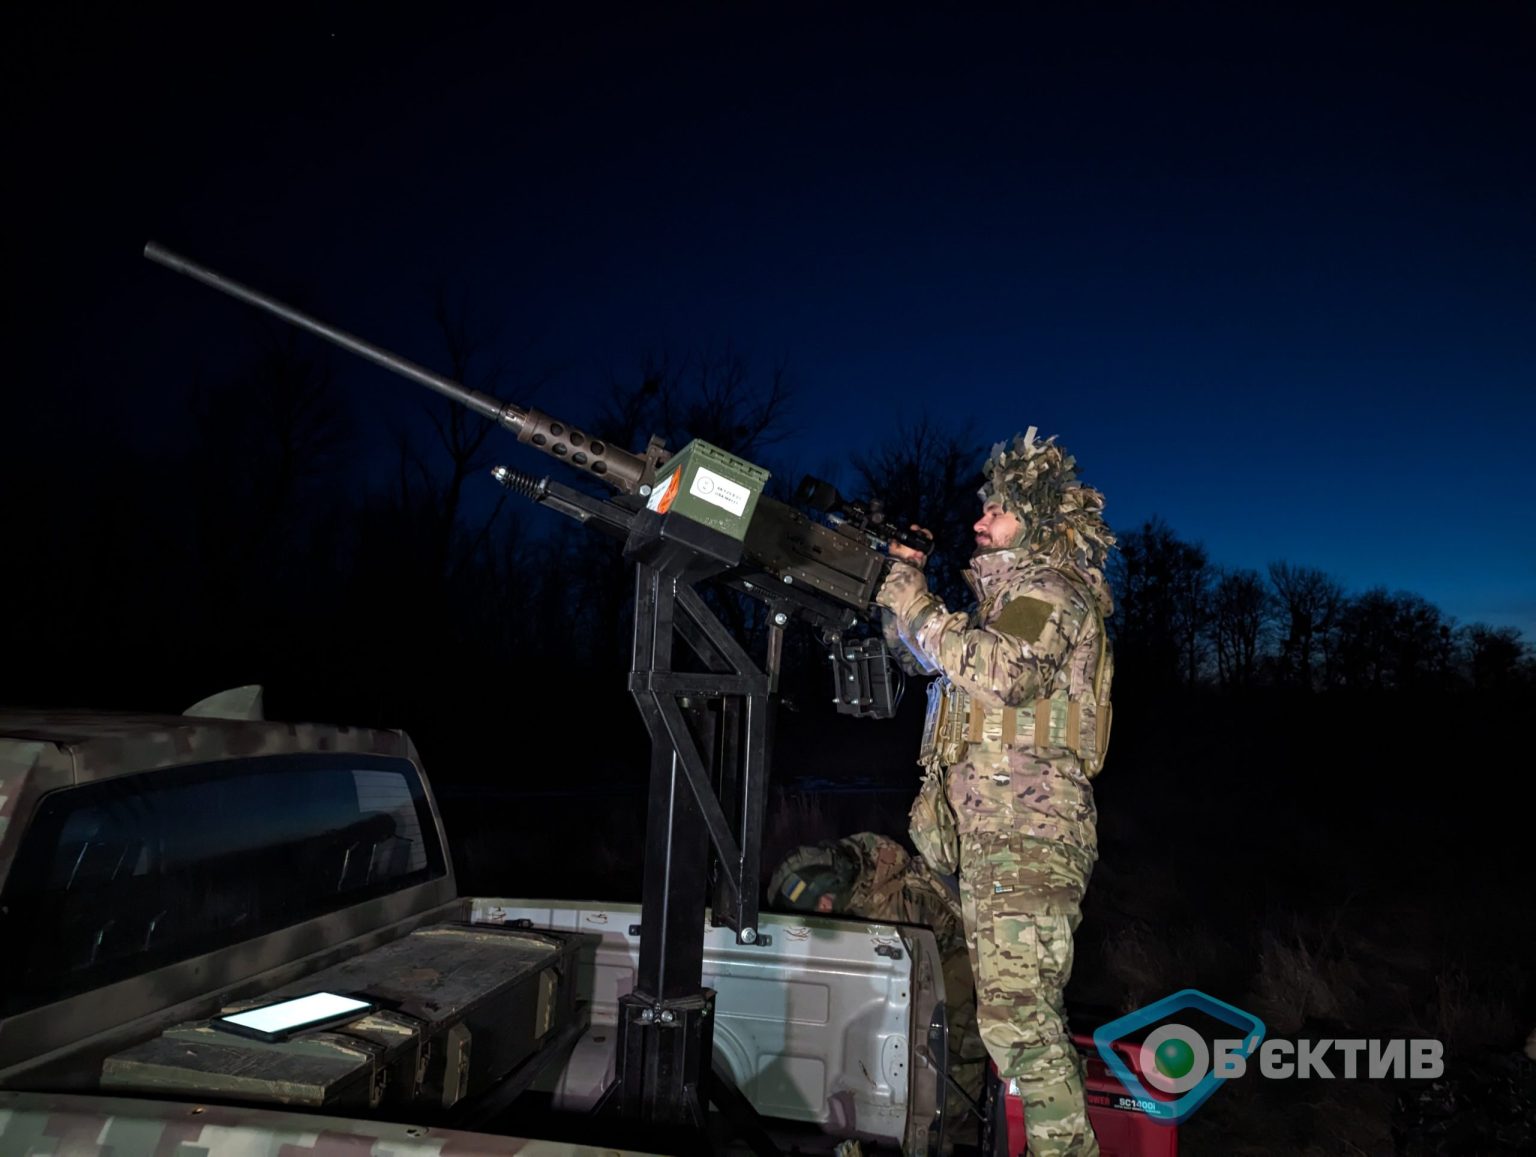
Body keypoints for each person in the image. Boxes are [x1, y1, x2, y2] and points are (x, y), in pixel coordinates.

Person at [874, 428, 1116, 1157]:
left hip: (1029, 836)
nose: (980, 520)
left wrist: (918, 602)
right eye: (984, 508)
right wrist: (900, 588)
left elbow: (1005, 674)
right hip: (983, 840)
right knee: (1003, 1017)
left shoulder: (1053, 592)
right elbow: (926, 659)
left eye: (999, 509)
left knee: (1021, 1018)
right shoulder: (995, 607)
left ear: (1037, 522)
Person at [768, 831, 987, 1151]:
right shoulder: (863, 867)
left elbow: (893, 994)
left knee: (944, 1088)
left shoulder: (886, 910)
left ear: (833, 882)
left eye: (824, 903)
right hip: (935, 969)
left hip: (961, 972)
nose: (825, 910)